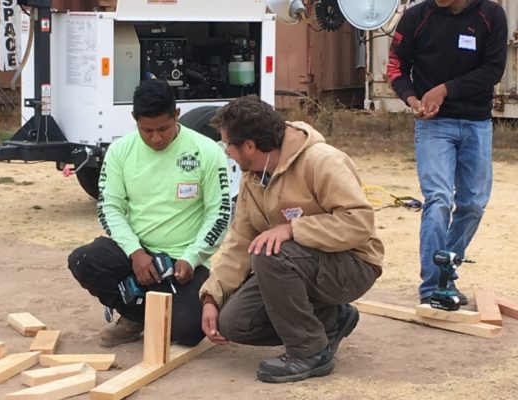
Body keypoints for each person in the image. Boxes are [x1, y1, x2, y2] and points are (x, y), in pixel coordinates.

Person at [199, 95, 384, 383]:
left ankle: (310, 351)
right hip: (294, 265)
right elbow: (240, 242)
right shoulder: (252, 177)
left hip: (352, 265)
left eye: (228, 146)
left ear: (249, 145)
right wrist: (212, 295)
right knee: (234, 323)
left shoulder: (322, 160)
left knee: (270, 253)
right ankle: (330, 321)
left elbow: (359, 223)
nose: (227, 153)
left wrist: (293, 229)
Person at [68, 79, 231, 347]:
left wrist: (192, 257)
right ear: (134, 120)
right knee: (84, 259)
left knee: (188, 333)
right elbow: (110, 207)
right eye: (147, 130)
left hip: (183, 263)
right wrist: (136, 252)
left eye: (163, 129)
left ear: (176, 115)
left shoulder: (207, 152)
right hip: (137, 255)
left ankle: (160, 308)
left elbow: (220, 213)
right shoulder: (120, 151)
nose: (156, 138)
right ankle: (136, 315)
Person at [387, 0, 507, 304]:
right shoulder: (416, 16)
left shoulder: (491, 15)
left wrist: (445, 89)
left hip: (477, 123)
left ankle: (445, 273)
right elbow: (396, 66)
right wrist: (411, 98)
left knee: (473, 205)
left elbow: (493, 70)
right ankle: (431, 288)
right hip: (433, 126)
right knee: (439, 199)